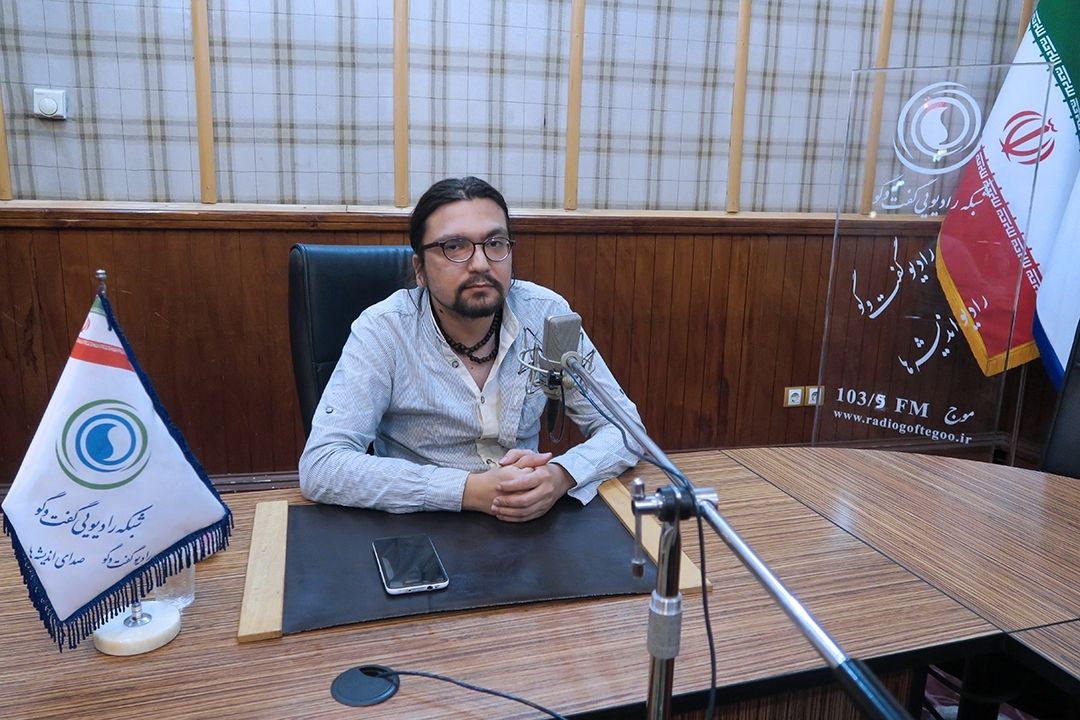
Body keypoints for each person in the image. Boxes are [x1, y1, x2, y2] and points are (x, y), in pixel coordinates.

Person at [299, 176, 644, 522]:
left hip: (530, 522)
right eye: (454, 246)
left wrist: (560, 475)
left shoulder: (546, 314)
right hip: (423, 522)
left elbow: (626, 429)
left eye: (495, 243)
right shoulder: (384, 329)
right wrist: (468, 490)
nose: (480, 263)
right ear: (420, 270)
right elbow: (322, 465)